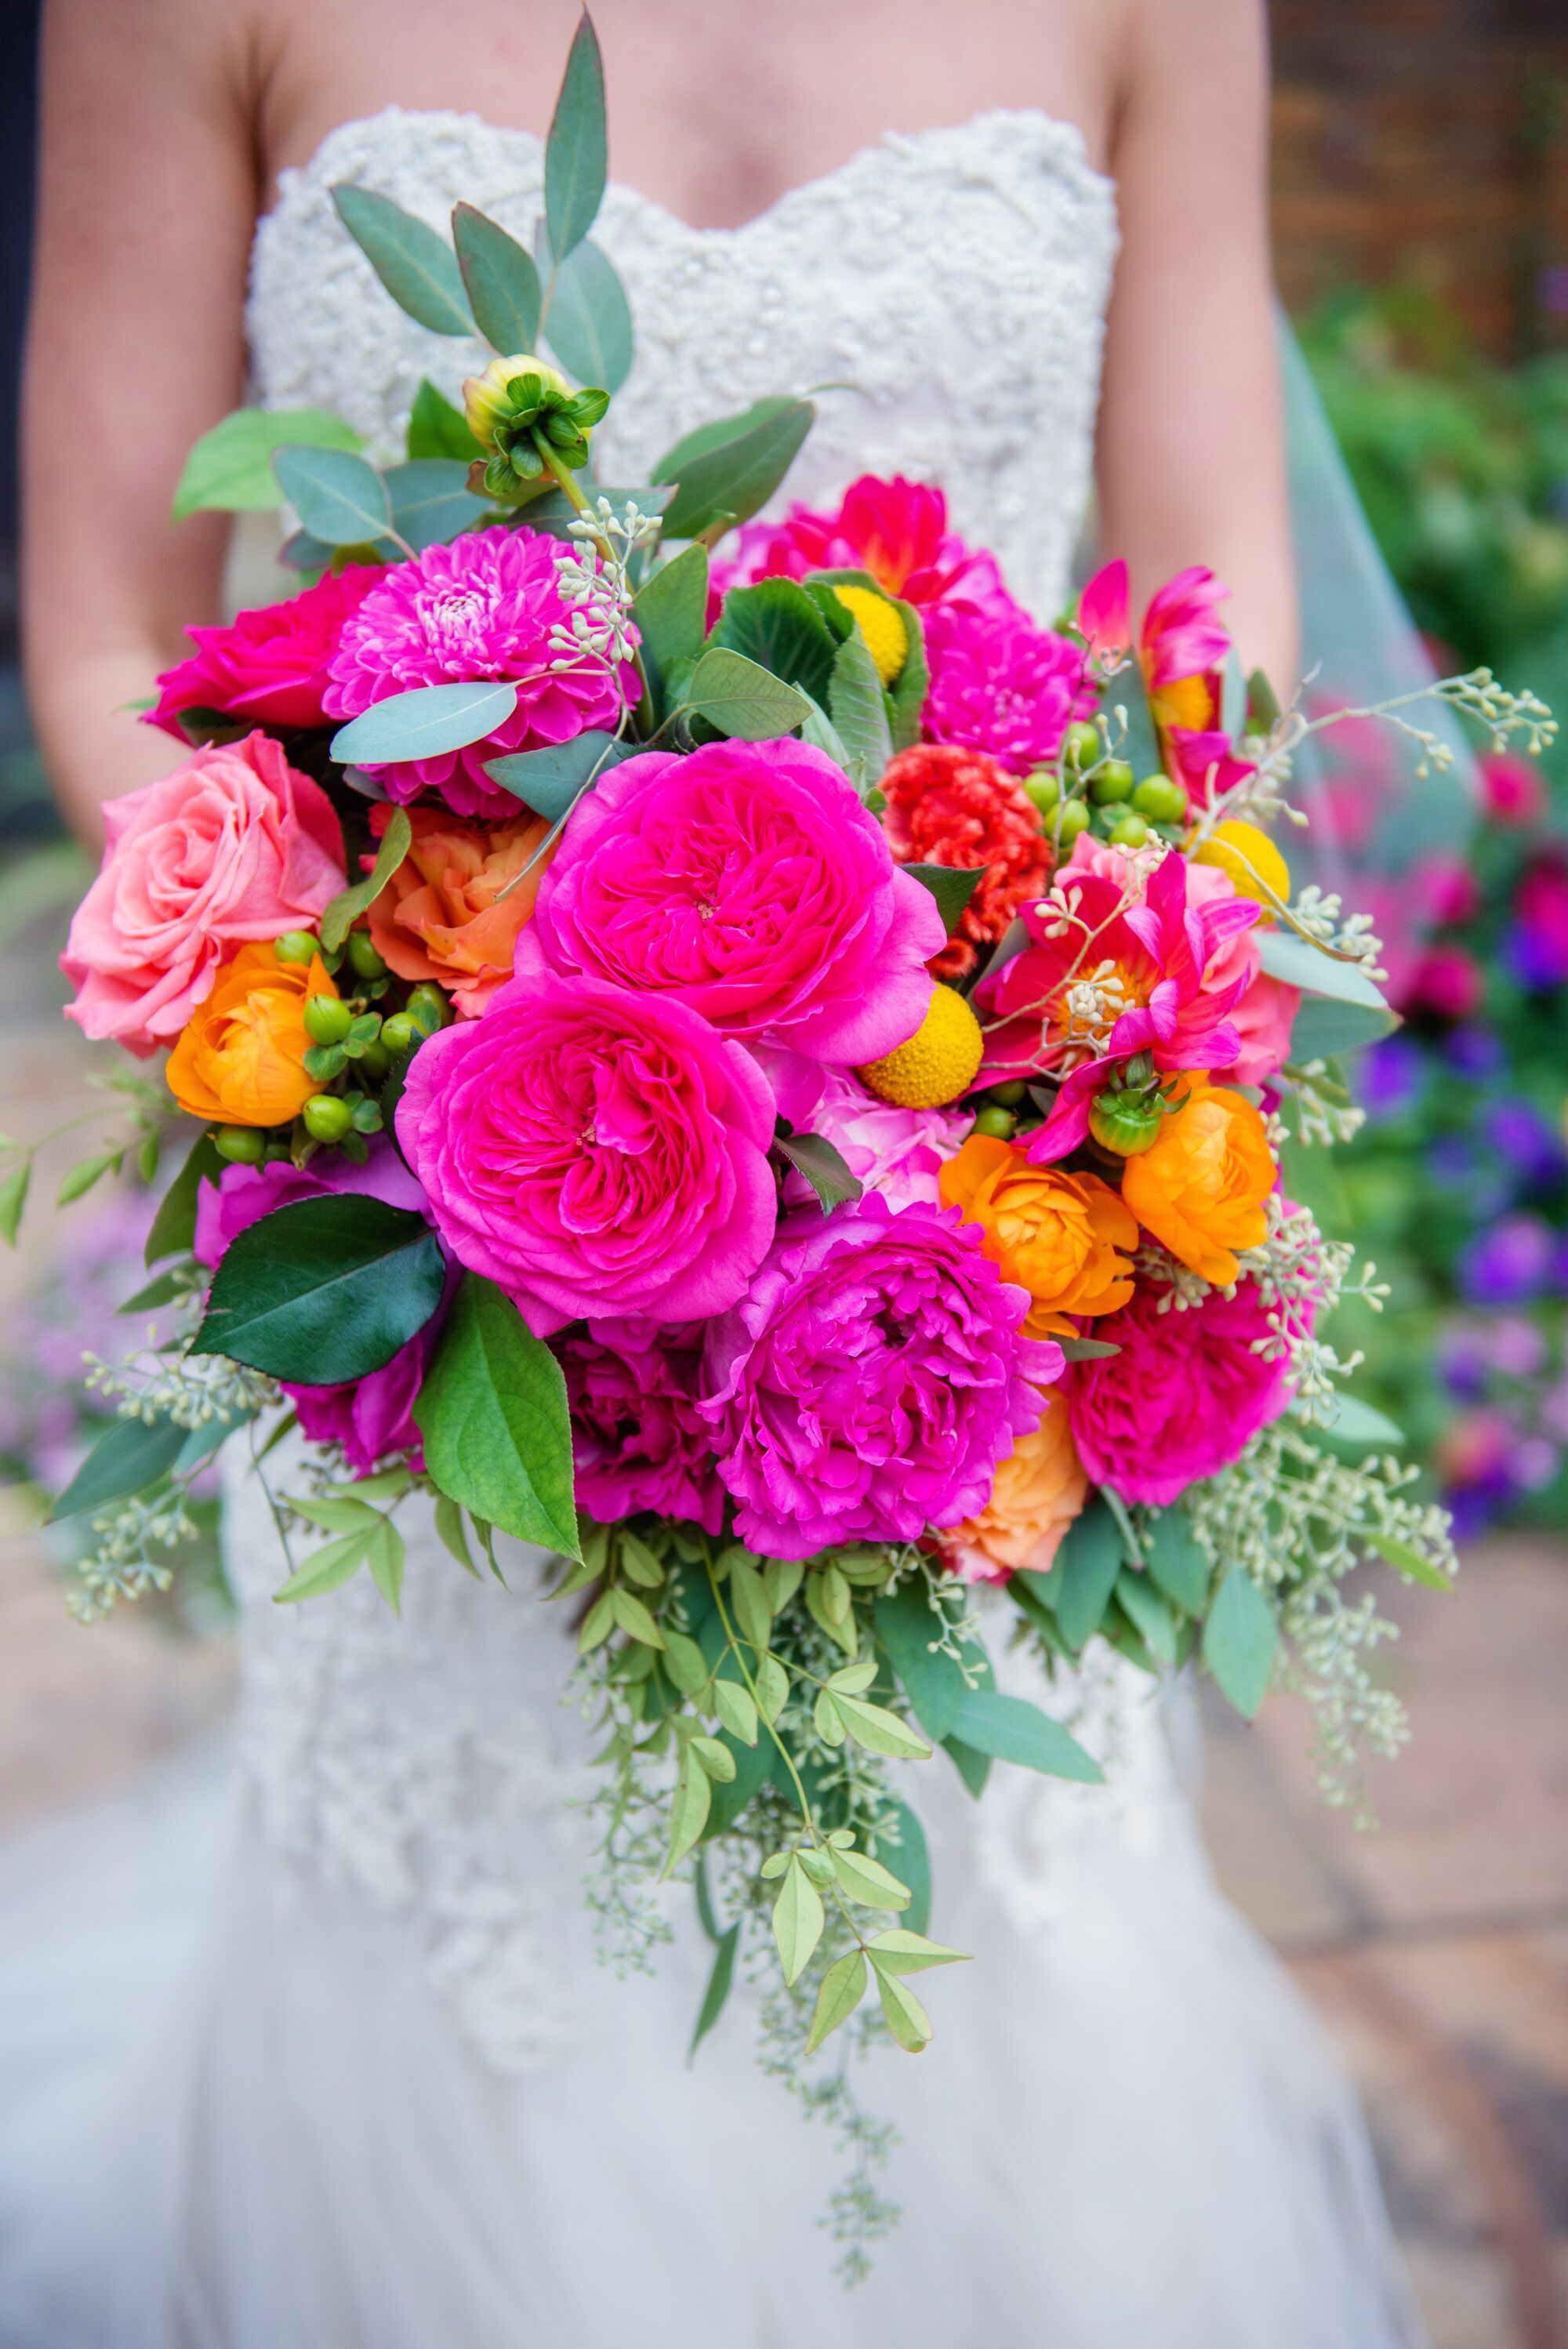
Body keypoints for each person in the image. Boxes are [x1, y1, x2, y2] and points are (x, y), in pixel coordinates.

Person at [6, 2, 1425, 2343]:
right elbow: (105, 626)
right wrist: (432, 1077)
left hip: (954, 1268)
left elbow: (1212, 603)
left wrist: (1029, 1033)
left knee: (968, 1938)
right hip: (443, 1239)